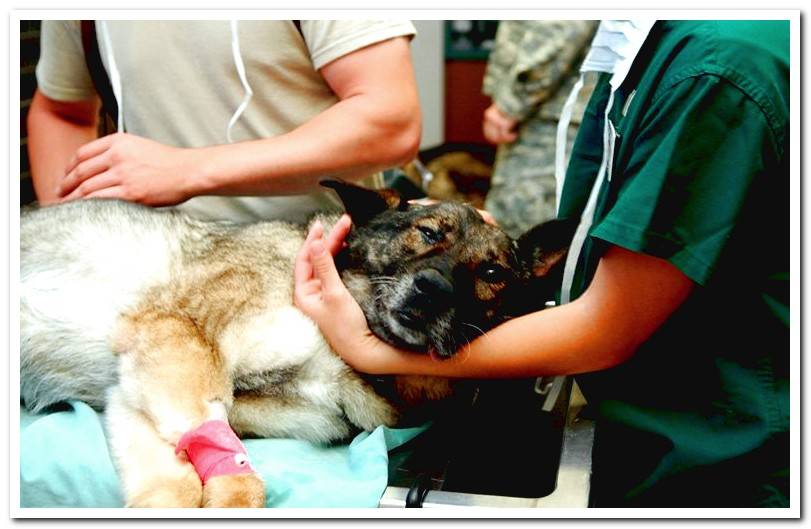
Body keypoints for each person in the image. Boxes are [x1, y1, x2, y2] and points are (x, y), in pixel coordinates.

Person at [294, 19, 790, 508]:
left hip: (717, 459)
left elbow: (609, 325)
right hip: (653, 422)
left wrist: (368, 349)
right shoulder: (647, 41)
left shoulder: (715, 72)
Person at [27, 20, 421, 223]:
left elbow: (390, 120)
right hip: (149, 274)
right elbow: (61, 110)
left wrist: (186, 169)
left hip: (317, 274)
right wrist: (70, 232)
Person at [481, 20, 596, 238]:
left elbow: (560, 27)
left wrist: (511, 104)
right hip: (552, 111)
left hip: (551, 116)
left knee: (521, 229)